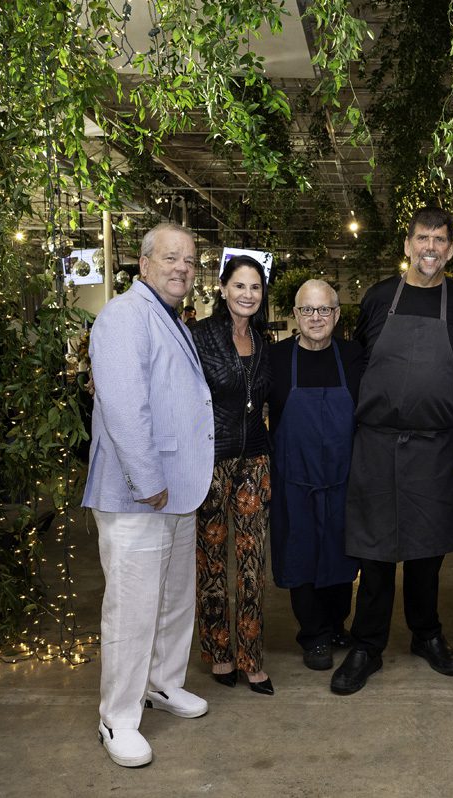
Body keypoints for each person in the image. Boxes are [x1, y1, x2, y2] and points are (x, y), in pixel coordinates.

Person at [83, 222, 214, 768]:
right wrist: (147, 480)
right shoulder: (123, 316)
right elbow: (123, 406)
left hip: (176, 491)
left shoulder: (170, 317)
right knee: (132, 609)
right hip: (140, 493)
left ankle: (162, 682)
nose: (182, 267)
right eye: (170, 257)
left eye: (190, 260)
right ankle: (117, 717)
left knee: (174, 598)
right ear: (143, 264)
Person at [331, 206, 453, 695]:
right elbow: (359, 364)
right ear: (408, 245)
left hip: (434, 447)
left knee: (427, 552)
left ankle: (426, 634)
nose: (430, 248)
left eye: (440, 240)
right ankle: (367, 645)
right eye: (422, 238)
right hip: (375, 443)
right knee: (374, 553)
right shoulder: (378, 298)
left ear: (450, 249)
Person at [268, 279, 363, 671]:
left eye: (324, 309)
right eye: (307, 310)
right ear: (296, 314)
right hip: (295, 482)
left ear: (337, 314)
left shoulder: (353, 356)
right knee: (302, 555)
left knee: (342, 555)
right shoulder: (275, 358)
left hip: (343, 480)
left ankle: (337, 625)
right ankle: (313, 635)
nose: (316, 317)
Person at [190, 255, 274, 695]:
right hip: (211, 460)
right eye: (239, 285)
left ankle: (252, 658)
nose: (247, 294)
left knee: (252, 561)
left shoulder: (262, 340)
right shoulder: (199, 336)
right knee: (211, 561)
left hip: (254, 460)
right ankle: (220, 651)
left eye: (255, 287)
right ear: (223, 289)